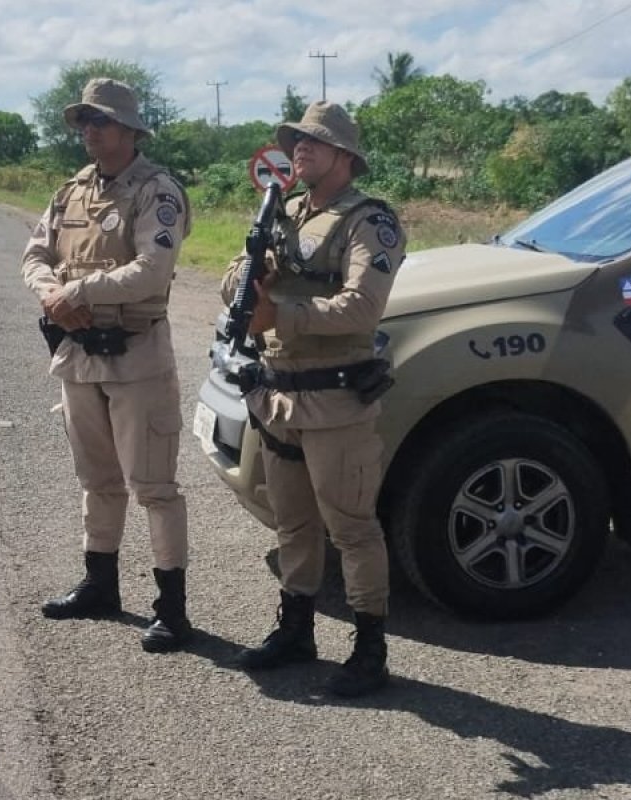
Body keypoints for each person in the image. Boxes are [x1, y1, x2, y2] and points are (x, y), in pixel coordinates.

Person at [222, 101, 406, 696]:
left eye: (314, 142)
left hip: (335, 400)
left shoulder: (369, 221)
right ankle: (296, 629)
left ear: (345, 157)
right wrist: (252, 278)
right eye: (296, 140)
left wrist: (284, 312)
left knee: (350, 527)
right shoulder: (285, 211)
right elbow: (236, 281)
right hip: (278, 396)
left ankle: (369, 648)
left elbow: (361, 307)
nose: (299, 148)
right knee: (293, 524)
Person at [21, 78, 193, 653]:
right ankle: (100, 585)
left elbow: (152, 270)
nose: (89, 131)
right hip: (78, 355)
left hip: (136, 355)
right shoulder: (71, 192)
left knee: (154, 486)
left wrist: (81, 292)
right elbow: (36, 255)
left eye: (100, 121)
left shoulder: (157, 191)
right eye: (84, 122)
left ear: (129, 130)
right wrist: (51, 294)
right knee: (96, 480)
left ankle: (171, 608)